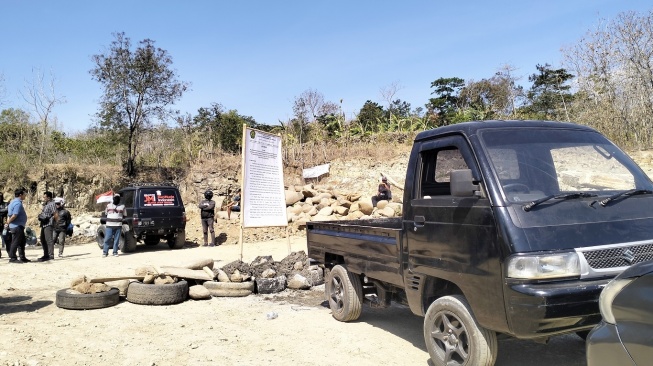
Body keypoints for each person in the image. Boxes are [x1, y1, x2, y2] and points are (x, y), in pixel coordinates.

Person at [5, 188, 30, 263]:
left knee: (22, 242)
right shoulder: (17, 203)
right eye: (24, 194)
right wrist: (8, 222)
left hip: (17, 226)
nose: (25, 196)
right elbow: (14, 215)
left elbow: (9, 214)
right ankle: (12, 257)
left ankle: (22, 257)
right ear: (20, 195)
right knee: (15, 242)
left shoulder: (12, 202)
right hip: (16, 226)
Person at [37, 191, 58, 262]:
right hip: (44, 224)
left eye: (44, 197)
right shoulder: (46, 204)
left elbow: (55, 214)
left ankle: (50, 255)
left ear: (48, 197)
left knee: (49, 240)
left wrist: (55, 223)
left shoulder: (52, 204)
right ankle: (46, 254)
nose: (43, 198)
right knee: (43, 239)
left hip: (49, 224)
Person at [103, 193, 126, 257]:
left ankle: (115, 252)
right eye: (115, 198)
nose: (116, 199)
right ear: (113, 199)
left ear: (119, 199)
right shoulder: (108, 205)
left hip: (118, 225)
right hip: (109, 225)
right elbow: (106, 213)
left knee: (116, 239)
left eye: (118, 198)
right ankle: (105, 252)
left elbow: (125, 215)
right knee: (107, 238)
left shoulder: (123, 206)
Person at [0, 193, 8, 258]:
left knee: (6, 239)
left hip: (4, 225)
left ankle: (10, 253)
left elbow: (7, 210)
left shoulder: (6, 204)